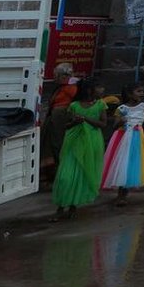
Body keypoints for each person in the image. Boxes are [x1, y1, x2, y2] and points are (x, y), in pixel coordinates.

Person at [52, 80, 107, 221]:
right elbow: (67, 125)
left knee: (82, 175)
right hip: (73, 143)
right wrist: (75, 122)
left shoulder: (101, 105)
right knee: (65, 176)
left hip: (92, 143)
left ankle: (72, 207)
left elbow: (103, 124)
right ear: (88, 90)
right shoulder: (74, 106)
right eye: (97, 87)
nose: (100, 90)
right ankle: (60, 207)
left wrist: (86, 118)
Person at [101, 85, 144, 204]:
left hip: (137, 137)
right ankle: (121, 194)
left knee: (132, 163)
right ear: (129, 94)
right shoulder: (122, 108)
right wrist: (121, 121)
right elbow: (114, 126)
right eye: (138, 91)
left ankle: (124, 192)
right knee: (122, 163)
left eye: (142, 91)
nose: (142, 93)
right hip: (122, 138)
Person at [41, 63, 79, 181]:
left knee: (58, 145)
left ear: (64, 76)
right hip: (55, 119)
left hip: (61, 120)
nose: (55, 78)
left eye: (56, 75)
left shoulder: (71, 88)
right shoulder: (63, 87)